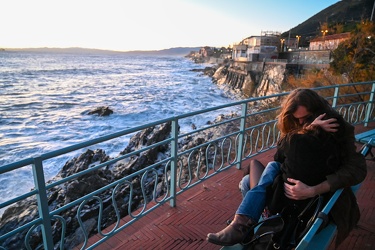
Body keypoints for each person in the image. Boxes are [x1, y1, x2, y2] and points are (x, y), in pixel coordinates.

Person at [206, 88, 367, 247]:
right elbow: (281, 154)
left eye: (305, 118)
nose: (300, 123)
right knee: (261, 171)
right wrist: (306, 130)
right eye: (296, 120)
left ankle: (243, 224)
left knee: (253, 177)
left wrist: (314, 190)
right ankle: (243, 223)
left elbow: (357, 169)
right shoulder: (300, 129)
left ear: (318, 111)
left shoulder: (334, 130)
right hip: (289, 186)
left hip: (305, 200)